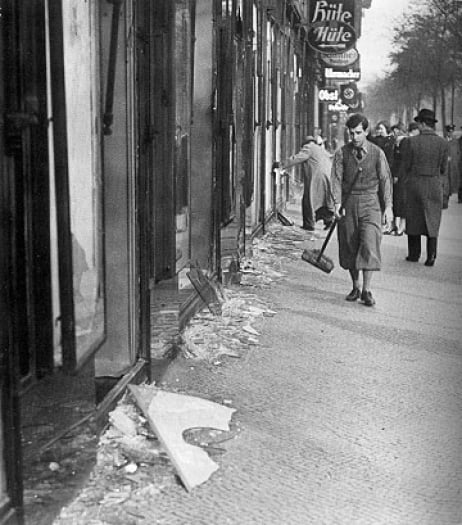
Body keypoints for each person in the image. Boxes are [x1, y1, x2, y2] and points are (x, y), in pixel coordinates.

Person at [331, 113, 393, 307]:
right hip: (349, 203)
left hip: (370, 203)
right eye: (351, 133)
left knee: (369, 243)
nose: (354, 137)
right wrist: (337, 203)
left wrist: (388, 207)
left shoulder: (377, 153)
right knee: (350, 244)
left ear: (366, 131)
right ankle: (355, 286)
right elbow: (336, 180)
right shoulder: (342, 153)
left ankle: (366, 290)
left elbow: (385, 180)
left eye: (358, 133)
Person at [400, 109, 449, 266]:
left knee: (414, 218)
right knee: (432, 220)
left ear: (421, 124)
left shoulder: (411, 142)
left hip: (415, 183)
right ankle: (431, 256)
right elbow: (443, 168)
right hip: (434, 184)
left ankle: (414, 254)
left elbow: (405, 166)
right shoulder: (443, 143)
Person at [281, 136, 334, 231]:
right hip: (327, 176)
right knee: (323, 200)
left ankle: (309, 224)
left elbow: (297, 158)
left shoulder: (309, 147)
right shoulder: (320, 149)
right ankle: (328, 220)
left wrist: (281, 164)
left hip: (317, 177)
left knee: (308, 199)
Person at [445, 124, 461, 204]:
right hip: (446, 164)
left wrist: (456, 160)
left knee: (454, 178)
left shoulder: (456, 141)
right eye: (449, 132)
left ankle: (454, 192)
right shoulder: (443, 140)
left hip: (454, 164)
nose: (450, 133)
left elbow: (458, 152)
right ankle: (447, 194)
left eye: (452, 131)